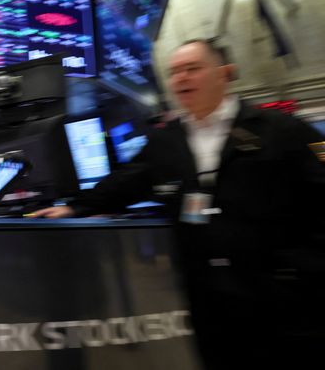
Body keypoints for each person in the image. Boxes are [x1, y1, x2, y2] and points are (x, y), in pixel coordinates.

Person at [30, 39, 325, 369]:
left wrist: (308, 268)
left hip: (279, 292)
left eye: (193, 69)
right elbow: (127, 181)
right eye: (174, 72)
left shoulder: (282, 130)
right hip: (208, 296)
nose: (181, 78)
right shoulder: (166, 139)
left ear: (225, 73)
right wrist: (75, 208)